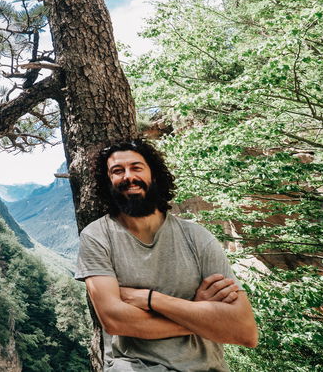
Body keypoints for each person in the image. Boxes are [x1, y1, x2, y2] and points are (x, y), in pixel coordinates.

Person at [75, 139, 258, 371]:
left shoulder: (197, 238)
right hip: (133, 367)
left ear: (154, 176)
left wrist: (150, 299)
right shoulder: (97, 237)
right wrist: (201, 316)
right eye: (117, 171)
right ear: (107, 182)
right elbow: (115, 320)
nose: (128, 176)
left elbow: (244, 331)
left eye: (136, 167)